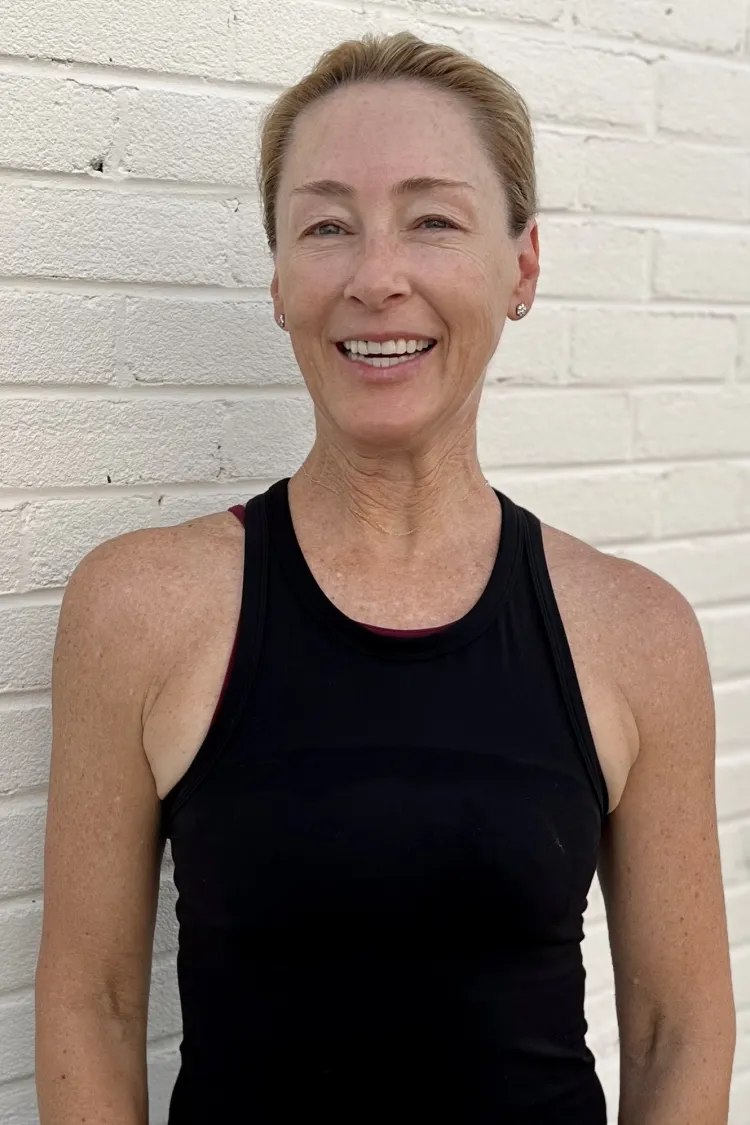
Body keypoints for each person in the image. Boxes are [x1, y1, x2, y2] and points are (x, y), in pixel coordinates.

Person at [35, 29, 735, 1125]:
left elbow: (675, 1031)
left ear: (524, 268)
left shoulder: (635, 633)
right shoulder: (139, 610)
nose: (375, 277)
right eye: (326, 225)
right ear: (277, 280)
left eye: (433, 220)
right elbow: (97, 1004)